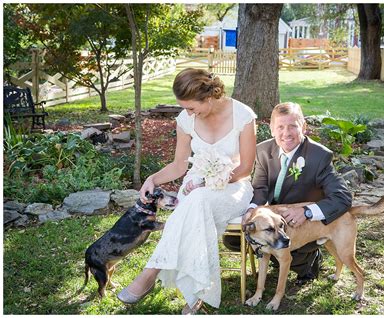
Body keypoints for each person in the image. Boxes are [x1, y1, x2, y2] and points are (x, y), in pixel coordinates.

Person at [117, 68, 257, 314]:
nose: (188, 113)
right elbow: (180, 165)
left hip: (233, 187)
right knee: (196, 201)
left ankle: (151, 272)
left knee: (197, 199)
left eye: (192, 108)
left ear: (210, 96)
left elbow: (246, 167)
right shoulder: (185, 119)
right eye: (185, 108)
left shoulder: (243, 115)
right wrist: (153, 178)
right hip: (195, 186)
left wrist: (214, 181)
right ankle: (196, 297)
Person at [223, 102, 352, 285]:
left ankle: (310, 256)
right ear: (272, 129)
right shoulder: (263, 151)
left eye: (293, 126)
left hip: (303, 225)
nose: (286, 133)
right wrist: (252, 210)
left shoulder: (319, 156)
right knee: (233, 239)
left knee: (294, 254)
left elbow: (343, 197)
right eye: (280, 127)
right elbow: (260, 188)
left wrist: (307, 211)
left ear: (304, 127)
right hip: (274, 221)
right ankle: (275, 255)